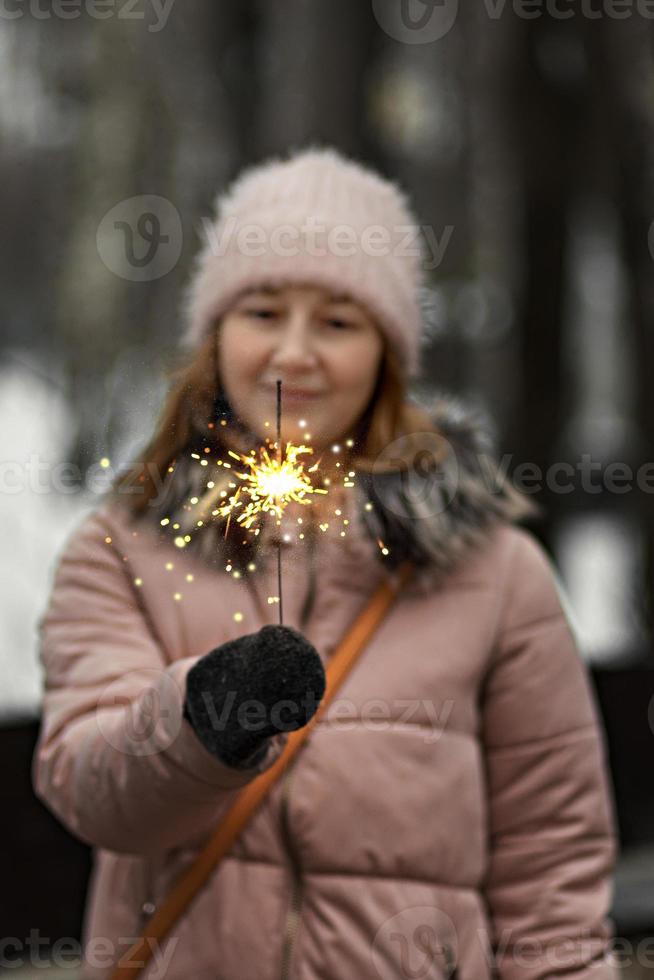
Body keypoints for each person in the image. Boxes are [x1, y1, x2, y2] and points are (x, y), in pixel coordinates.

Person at [32, 147, 619, 979]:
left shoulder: (497, 572)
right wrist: (202, 720)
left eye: (339, 322)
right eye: (263, 312)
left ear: (387, 351)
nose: (295, 355)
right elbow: (92, 790)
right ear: (214, 332)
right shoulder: (121, 550)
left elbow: (551, 862)